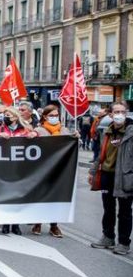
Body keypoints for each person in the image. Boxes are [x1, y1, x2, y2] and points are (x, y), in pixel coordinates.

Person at [89, 101, 133, 255]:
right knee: (108, 209)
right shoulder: (107, 131)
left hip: (125, 177)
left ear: (126, 113)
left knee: (125, 212)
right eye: (116, 112)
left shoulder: (131, 131)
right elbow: (101, 154)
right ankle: (108, 237)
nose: (120, 114)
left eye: (122, 111)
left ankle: (123, 243)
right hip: (107, 175)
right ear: (110, 114)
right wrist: (93, 171)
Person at [33, 105, 79, 238]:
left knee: (56, 198)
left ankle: (54, 226)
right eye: (51, 115)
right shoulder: (39, 130)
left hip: (60, 170)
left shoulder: (64, 130)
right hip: (42, 169)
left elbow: (72, 148)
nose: (54, 118)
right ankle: (37, 222)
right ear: (45, 117)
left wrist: (75, 138)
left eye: (56, 115)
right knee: (40, 196)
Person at [0, 106, 38, 235]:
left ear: (15, 116)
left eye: (9, 115)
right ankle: (6, 223)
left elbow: (37, 136)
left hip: (20, 168)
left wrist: (34, 134)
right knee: (6, 196)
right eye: (5, 115)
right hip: (5, 167)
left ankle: (16, 224)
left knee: (19, 197)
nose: (7, 117)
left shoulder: (25, 129)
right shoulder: (0, 129)